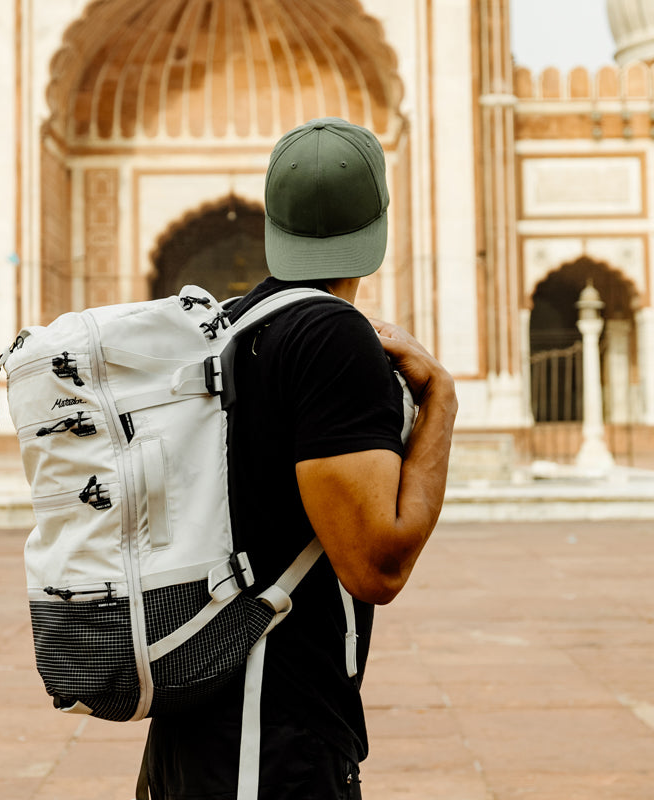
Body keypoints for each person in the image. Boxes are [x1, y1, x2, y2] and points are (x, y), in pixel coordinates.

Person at [146, 118, 457, 799]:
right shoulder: (330, 336)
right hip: (271, 735)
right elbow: (378, 564)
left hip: (194, 719)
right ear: (376, 225)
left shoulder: (229, 327)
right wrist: (441, 400)